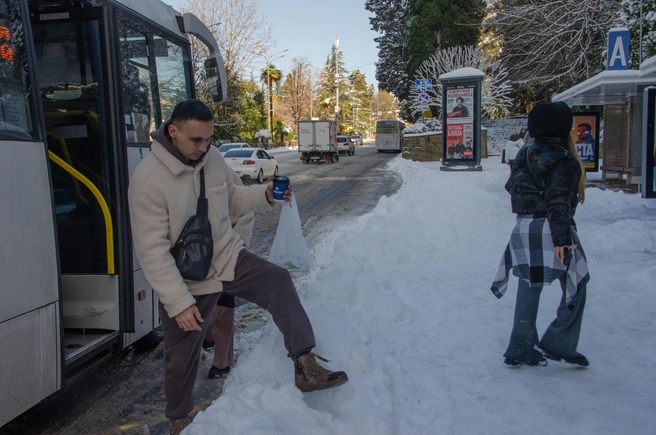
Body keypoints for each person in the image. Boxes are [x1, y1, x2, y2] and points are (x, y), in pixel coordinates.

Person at [128, 99, 348, 435]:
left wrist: (268, 197)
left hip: (228, 257)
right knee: (181, 357)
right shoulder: (148, 180)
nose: (203, 148)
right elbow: (152, 250)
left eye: (208, 139)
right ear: (172, 132)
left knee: (278, 280)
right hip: (187, 279)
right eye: (195, 140)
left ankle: (304, 363)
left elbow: (232, 196)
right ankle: (179, 419)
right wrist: (178, 301)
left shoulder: (212, 158)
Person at [491, 102, 590, 368]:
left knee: (529, 284)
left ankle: (520, 348)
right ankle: (559, 342)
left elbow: (512, 187)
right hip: (553, 228)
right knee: (577, 281)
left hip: (523, 228)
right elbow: (559, 202)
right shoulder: (564, 158)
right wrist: (561, 239)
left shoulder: (524, 153)